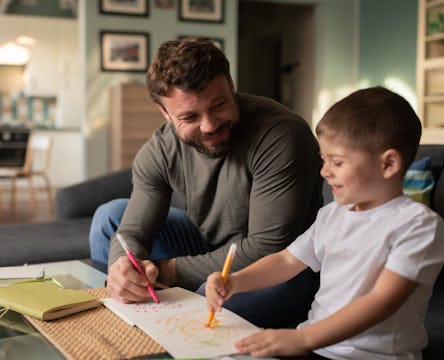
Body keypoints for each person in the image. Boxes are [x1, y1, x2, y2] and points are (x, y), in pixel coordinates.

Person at [89, 37, 323, 327]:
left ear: (231, 85)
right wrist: (124, 270)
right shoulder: (160, 150)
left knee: (210, 297)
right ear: (165, 113)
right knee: (109, 218)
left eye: (219, 105)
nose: (210, 124)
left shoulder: (280, 134)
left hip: (286, 268)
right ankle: (133, 310)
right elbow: (132, 232)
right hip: (209, 246)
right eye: (190, 116)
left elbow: (268, 247)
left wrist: (167, 272)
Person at [206, 86, 444, 359]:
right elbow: (286, 261)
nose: (324, 171)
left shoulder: (418, 225)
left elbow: (383, 301)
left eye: (337, 162)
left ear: (388, 164)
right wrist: (235, 282)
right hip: (315, 347)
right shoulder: (332, 214)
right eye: (323, 160)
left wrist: (301, 337)